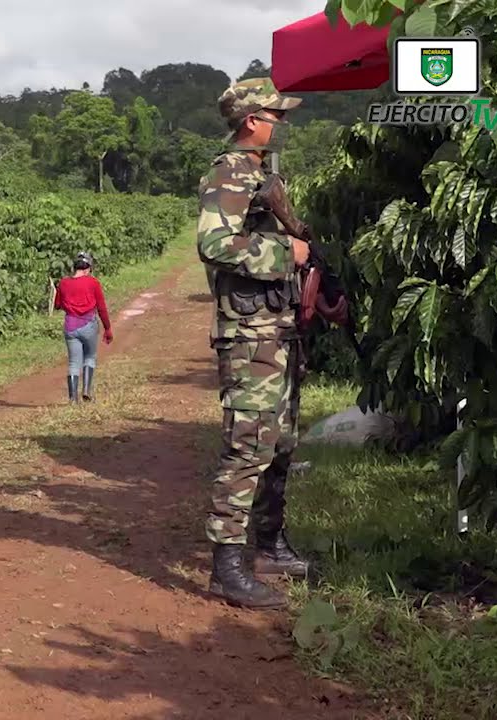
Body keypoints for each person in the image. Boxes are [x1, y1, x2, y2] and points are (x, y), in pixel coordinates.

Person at [196, 77, 312, 609]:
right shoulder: (229, 172)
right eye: (274, 116)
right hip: (249, 337)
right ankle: (227, 566)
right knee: (248, 447)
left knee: (280, 444)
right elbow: (215, 244)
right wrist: (287, 254)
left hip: (278, 330)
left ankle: (269, 544)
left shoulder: (262, 174)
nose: (279, 124)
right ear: (250, 121)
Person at [53, 251, 112, 402]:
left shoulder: (64, 283)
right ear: (88, 268)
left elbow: (57, 305)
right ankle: (86, 391)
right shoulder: (93, 282)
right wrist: (107, 328)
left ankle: (73, 398)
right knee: (90, 357)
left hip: (70, 326)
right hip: (89, 325)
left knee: (73, 362)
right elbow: (102, 308)